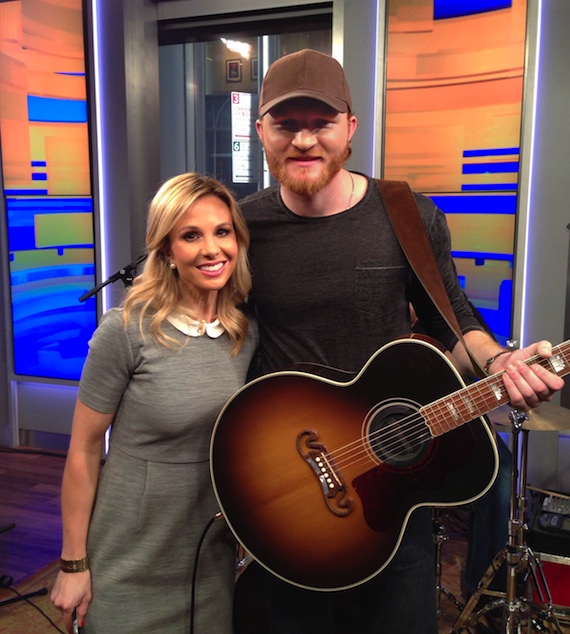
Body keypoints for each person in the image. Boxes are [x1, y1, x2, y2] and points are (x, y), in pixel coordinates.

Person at [238, 48, 564, 633]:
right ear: (261, 130)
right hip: (289, 481)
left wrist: (500, 361)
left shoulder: (406, 214)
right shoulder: (241, 227)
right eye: (287, 125)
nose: (304, 141)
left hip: (393, 475)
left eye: (322, 124)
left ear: (351, 128)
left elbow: (451, 321)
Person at [50, 173, 258, 633]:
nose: (211, 249)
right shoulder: (125, 330)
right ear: (165, 250)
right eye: (190, 235)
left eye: (222, 232)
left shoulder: (246, 334)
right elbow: (83, 449)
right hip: (130, 555)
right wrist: (72, 563)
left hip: (210, 554)